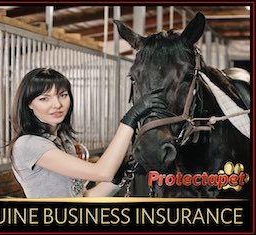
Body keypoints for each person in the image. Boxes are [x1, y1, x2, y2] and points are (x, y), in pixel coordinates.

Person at [10, 68, 165, 198]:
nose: (57, 104)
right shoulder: (28, 144)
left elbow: (83, 197)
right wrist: (131, 118)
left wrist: (120, 176)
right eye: (44, 99)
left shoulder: (64, 142)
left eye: (62, 95)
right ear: (29, 104)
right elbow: (102, 172)